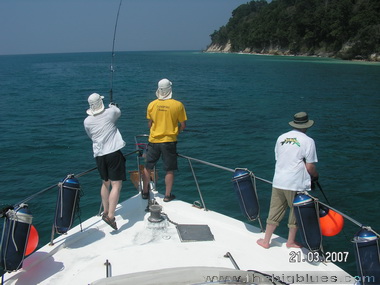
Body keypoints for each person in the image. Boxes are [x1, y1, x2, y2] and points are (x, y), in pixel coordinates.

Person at [257, 111, 319, 249]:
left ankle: (266, 241)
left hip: (279, 180)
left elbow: (279, 158)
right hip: (296, 183)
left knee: (274, 211)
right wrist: (315, 176)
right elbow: (310, 167)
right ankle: (290, 242)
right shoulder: (308, 141)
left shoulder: (281, 138)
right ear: (306, 125)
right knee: (295, 213)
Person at [84, 93, 126, 230]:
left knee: (105, 183)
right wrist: (112, 105)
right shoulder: (110, 113)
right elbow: (117, 111)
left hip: (99, 155)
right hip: (113, 153)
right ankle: (111, 216)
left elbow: (91, 136)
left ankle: (106, 211)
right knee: (116, 185)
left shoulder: (87, 121)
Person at [142, 78, 187, 202]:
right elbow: (183, 125)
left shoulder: (152, 104)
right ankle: (167, 196)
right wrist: (175, 132)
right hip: (169, 141)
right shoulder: (178, 105)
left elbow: (149, 124)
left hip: (154, 140)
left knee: (148, 167)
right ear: (170, 89)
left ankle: (145, 192)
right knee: (169, 169)